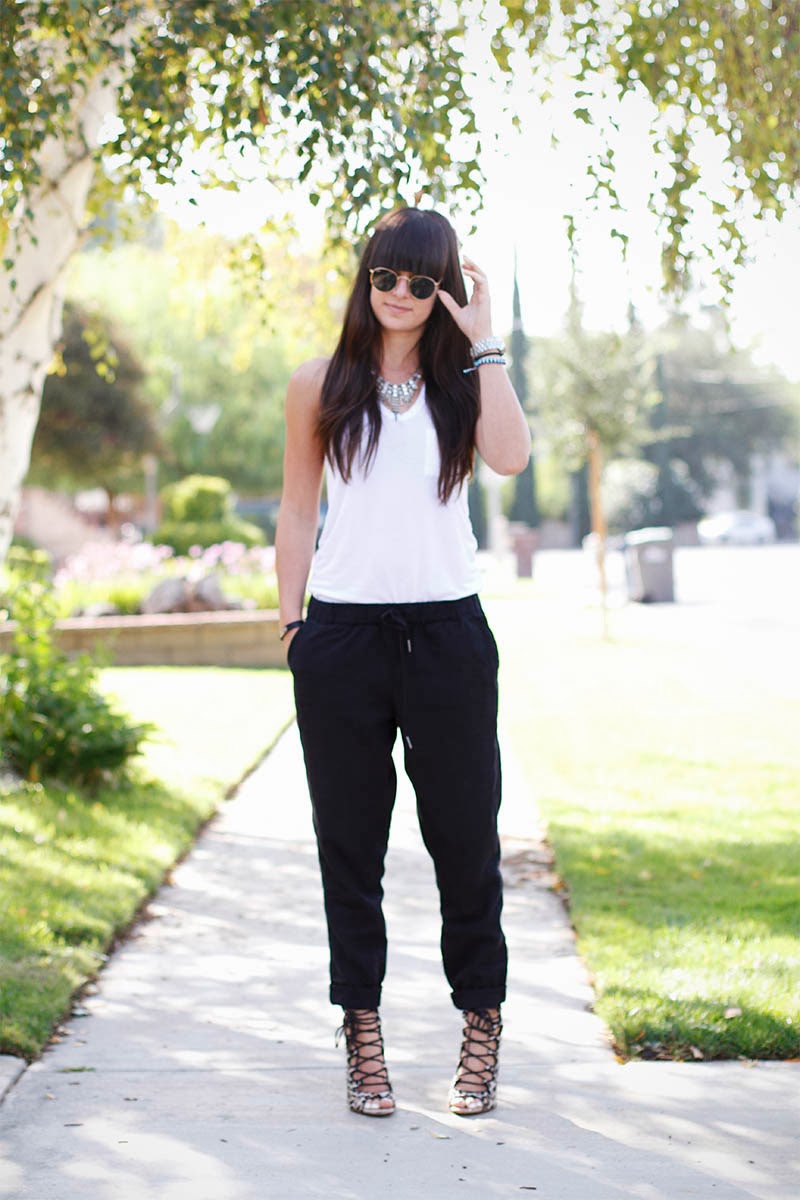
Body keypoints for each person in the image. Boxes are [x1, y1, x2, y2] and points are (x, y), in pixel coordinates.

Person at [275, 206, 530, 1118]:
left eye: (423, 283)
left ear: (443, 291)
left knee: (466, 843)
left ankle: (480, 1027)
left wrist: (486, 342)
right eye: (387, 275)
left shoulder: (464, 381)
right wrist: (292, 630)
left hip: (448, 638)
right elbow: (298, 508)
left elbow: (511, 458)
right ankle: (363, 1036)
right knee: (350, 848)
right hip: (341, 640)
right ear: (367, 277)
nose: (400, 294)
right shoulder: (319, 383)